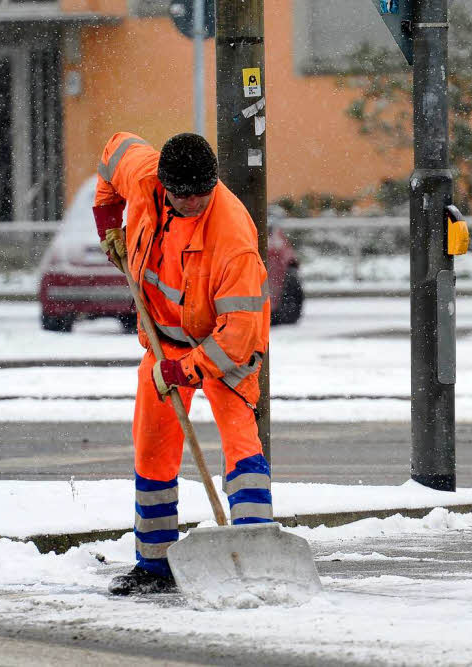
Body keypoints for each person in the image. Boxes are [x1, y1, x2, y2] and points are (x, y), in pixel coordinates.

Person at [94, 132, 274, 593]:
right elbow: (112, 152)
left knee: (240, 441)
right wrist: (108, 223)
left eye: (202, 193)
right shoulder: (143, 174)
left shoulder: (232, 239)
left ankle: (257, 554)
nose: (194, 202)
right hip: (163, 340)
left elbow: (237, 336)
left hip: (224, 347)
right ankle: (153, 566)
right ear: (164, 185)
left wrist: (184, 370)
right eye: (184, 195)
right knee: (152, 448)